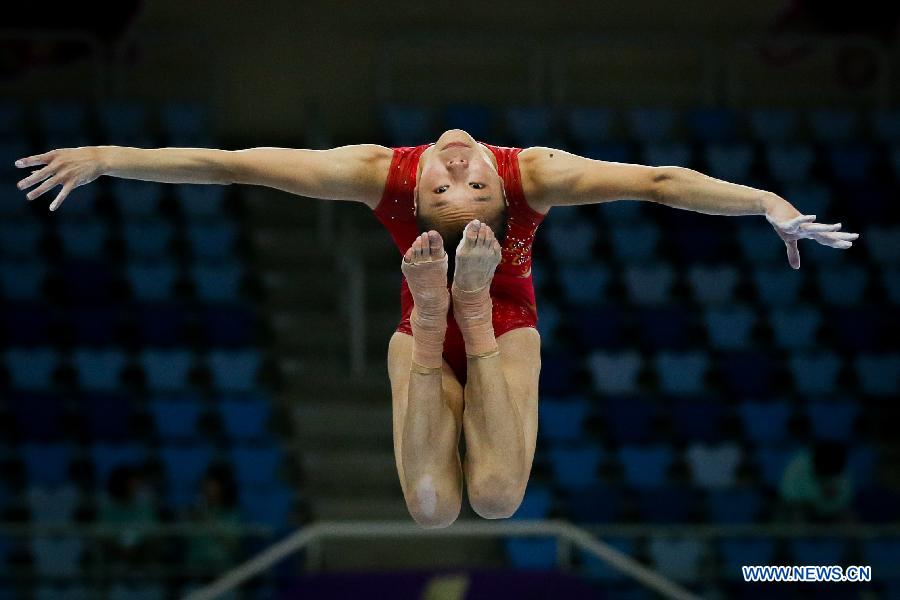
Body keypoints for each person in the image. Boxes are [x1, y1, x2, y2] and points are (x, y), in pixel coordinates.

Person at [15, 128, 859, 527]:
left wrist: (764, 205)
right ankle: (454, 309)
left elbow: (666, 181)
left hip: (472, 322)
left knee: (466, 507)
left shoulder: (385, 175)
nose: (460, 174)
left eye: (464, 192)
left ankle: (442, 313)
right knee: (478, 504)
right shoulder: (531, 173)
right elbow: (229, 166)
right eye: (457, 192)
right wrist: (763, 204)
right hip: (509, 320)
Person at [778, 441, 854, 523]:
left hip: (830, 511)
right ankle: (799, 536)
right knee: (797, 514)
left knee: (849, 517)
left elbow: (844, 501)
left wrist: (828, 502)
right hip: (800, 509)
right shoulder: (798, 466)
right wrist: (816, 498)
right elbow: (788, 497)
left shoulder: (841, 470)